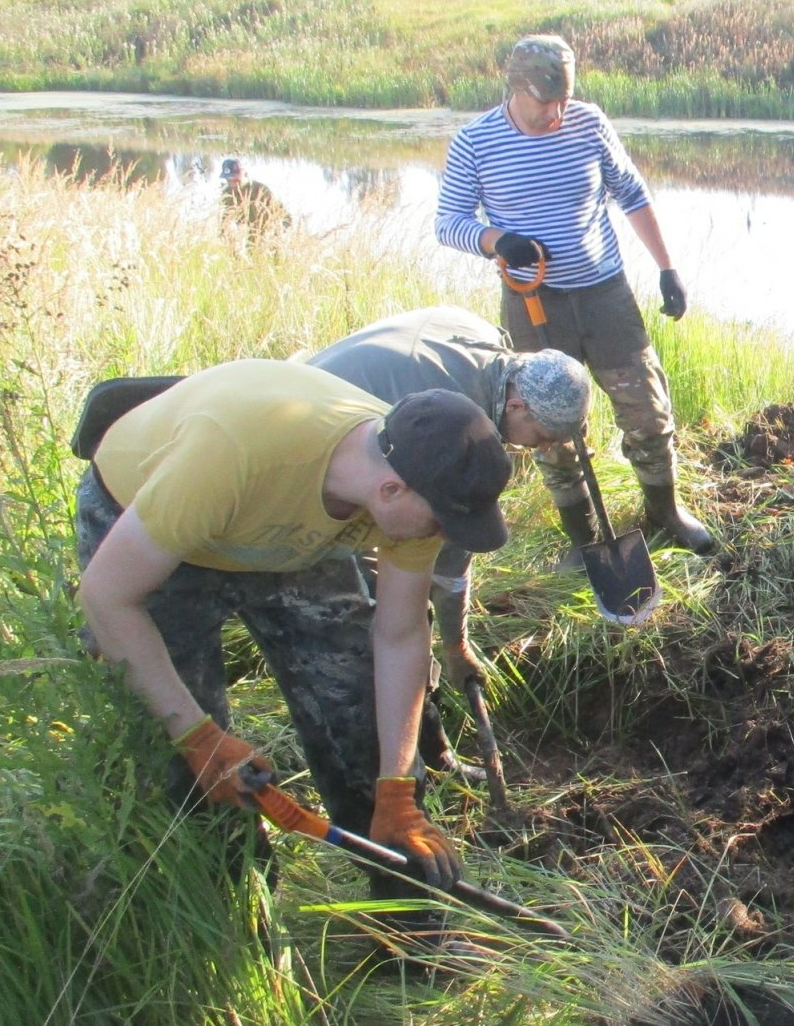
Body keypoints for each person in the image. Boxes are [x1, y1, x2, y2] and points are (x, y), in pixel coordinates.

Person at [73, 360, 513, 957]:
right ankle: (240, 942)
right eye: (442, 522)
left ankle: (410, 930)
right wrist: (198, 736)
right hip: (152, 532)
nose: (445, 534)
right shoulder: (229, 456)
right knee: (192, 770)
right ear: (390, 491)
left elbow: (399, 636)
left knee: (360, 715)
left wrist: (395, 789)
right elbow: (107, 596)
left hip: (290, 539)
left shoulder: (413, 489)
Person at [434, 34, 716, 560]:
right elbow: (448, 223)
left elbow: (632, 192)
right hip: (533, 301)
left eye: (564, 98)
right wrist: (498, 241)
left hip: (605, 294)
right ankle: (584, 541)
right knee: (550, 426)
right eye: (546, 101)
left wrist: (667, 268)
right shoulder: (476, 142)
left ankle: (664, 513)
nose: (557, 112)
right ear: (516, 87)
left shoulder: (588, 123)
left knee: (646, 407)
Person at [307, 306, 591, 768]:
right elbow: (446, 561)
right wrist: (455, 644)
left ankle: (428, 749)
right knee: (381, 624)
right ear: (516, 405)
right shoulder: (456, 431)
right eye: (539, 437)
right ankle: (405, 766)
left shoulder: (484, 344)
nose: (537, 450)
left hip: (327, 406)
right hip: (315, 465)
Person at [219, 158, 290, 238]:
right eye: (229, 180)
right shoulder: (227, 193)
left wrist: (277, 236)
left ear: (245, 175)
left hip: (265, 234)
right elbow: (225, 219)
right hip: (243, 234)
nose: (233, 184)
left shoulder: (260, 190)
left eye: (236, 180)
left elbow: (285, 217)